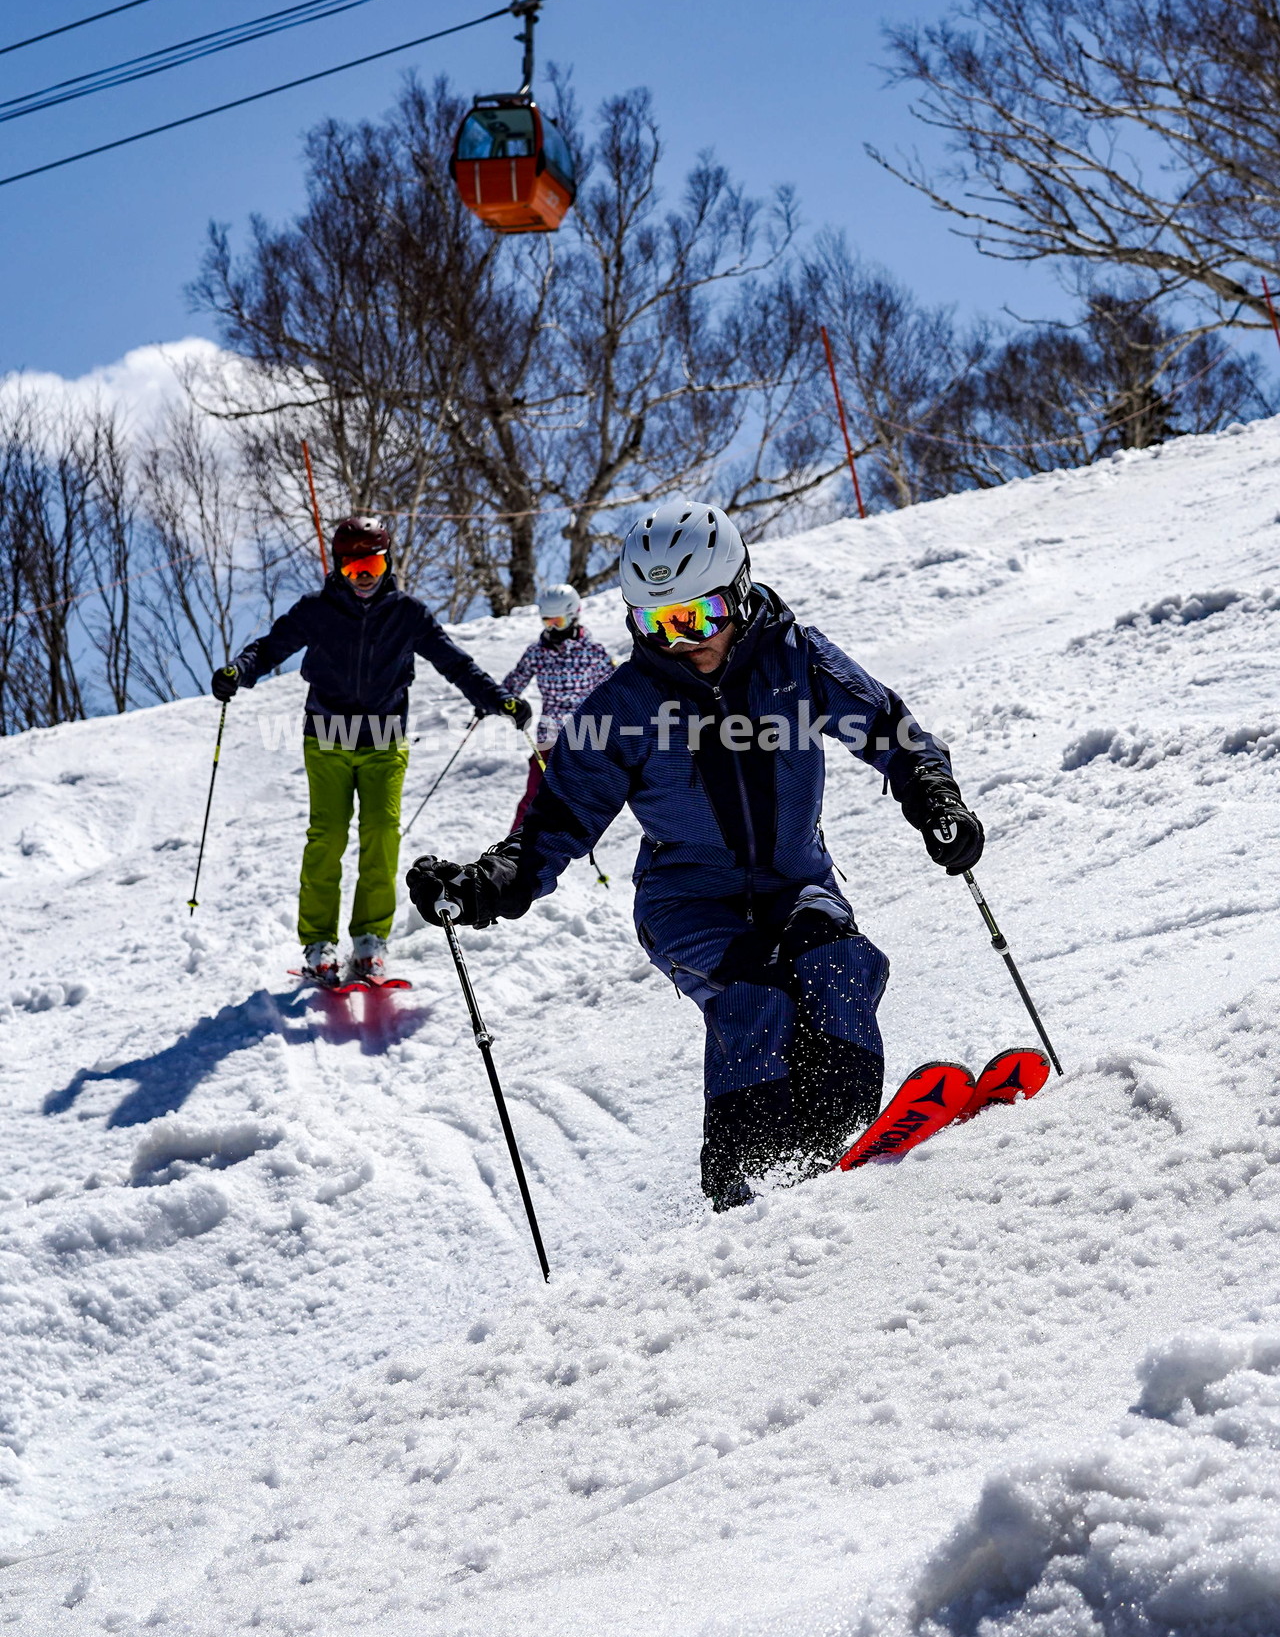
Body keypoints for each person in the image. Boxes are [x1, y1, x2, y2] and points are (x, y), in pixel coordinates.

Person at [405, 500, 983, 1210]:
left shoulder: (794, 660)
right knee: (755, 990)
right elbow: (558, 819)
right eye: (656, 622)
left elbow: (893, 730)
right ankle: (749, 1167)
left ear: (739, 592)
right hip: (688, 903)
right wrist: (488, 884)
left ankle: (842, 1139)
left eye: (694, 617)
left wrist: (934, 797)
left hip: (797, 880)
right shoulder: (626, 704)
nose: (678, 640)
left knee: (839, 964)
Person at [211, 515, 531, 987]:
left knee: (382, 836)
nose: (364, 577)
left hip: (384, 741)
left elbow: (454, 663)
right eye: (354, 568)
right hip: (327, 738)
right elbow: (269, 648)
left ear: (387, 564)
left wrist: (495, 697)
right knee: (328, 837)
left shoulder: (408, 614)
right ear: (339, 568)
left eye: (373, 565)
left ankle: (369, 940)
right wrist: (239, 670)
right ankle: (319, 942)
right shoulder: (316, 610)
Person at [500, 583, 615, 831]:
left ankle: (563, 850)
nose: (552, 628)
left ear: (574, 615)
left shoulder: (593, 653)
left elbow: (615, 690)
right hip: (548, 740)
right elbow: (513, 683)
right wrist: (497, 701)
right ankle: (509, 856)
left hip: (583, 742)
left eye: (558, 621)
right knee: (533, 798)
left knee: (575, 803)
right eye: (547, 621)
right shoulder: (537, 652)